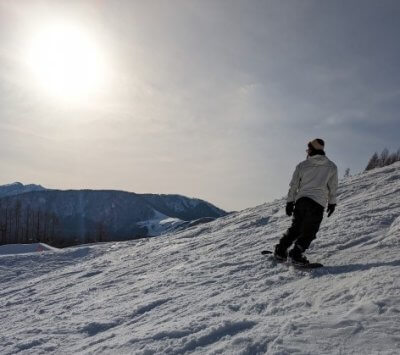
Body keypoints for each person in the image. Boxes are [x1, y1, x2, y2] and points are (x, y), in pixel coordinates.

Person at [274, 138, 338, 265]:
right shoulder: (331, 166)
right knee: (310, 231)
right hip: (317, 203)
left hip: (301, 201)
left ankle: (280, 250)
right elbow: (333, 187)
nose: (307, 151)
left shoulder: (302, 165)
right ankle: (296, 254)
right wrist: (332, 203)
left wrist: (290, 202)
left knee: (296, 228)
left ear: (312, 150)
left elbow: (293, 185)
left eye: (308, 148)